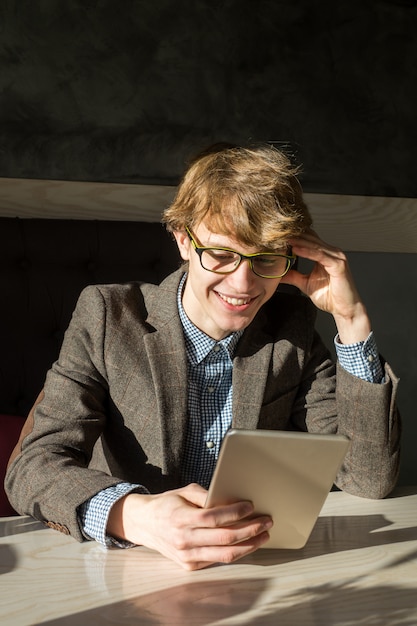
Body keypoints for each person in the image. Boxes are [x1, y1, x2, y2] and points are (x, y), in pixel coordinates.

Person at [5, 144, 401, 571]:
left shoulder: (293, 327)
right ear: (182, 240)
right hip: (127, 569)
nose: (244, 283)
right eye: (222, 255)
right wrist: (135, 514)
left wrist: (351, 318)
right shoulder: (107, 317)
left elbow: (368, 477)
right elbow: (32, 466)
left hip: (257, 570)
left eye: (266, 258)